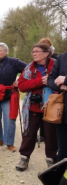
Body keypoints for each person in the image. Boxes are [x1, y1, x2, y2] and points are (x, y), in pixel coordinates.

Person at [15, 43, 58, 171]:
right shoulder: (29, 68)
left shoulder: (56, 65)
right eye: (33, 51)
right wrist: (40, 82)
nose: (34, 53)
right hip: (33, 107)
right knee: (29, 134)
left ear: (46, 53)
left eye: (37, 51)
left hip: (51, 107)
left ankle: (51, 160)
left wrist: (50, 82)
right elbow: (22, 86)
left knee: (51, 135)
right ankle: (24, 158)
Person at [48, 50, 67, 162]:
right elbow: (51, 79)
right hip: (63, 113)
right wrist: (60, 86)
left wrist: (65, 80)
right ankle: (60, 179)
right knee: (62, 151)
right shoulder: (63, 57)